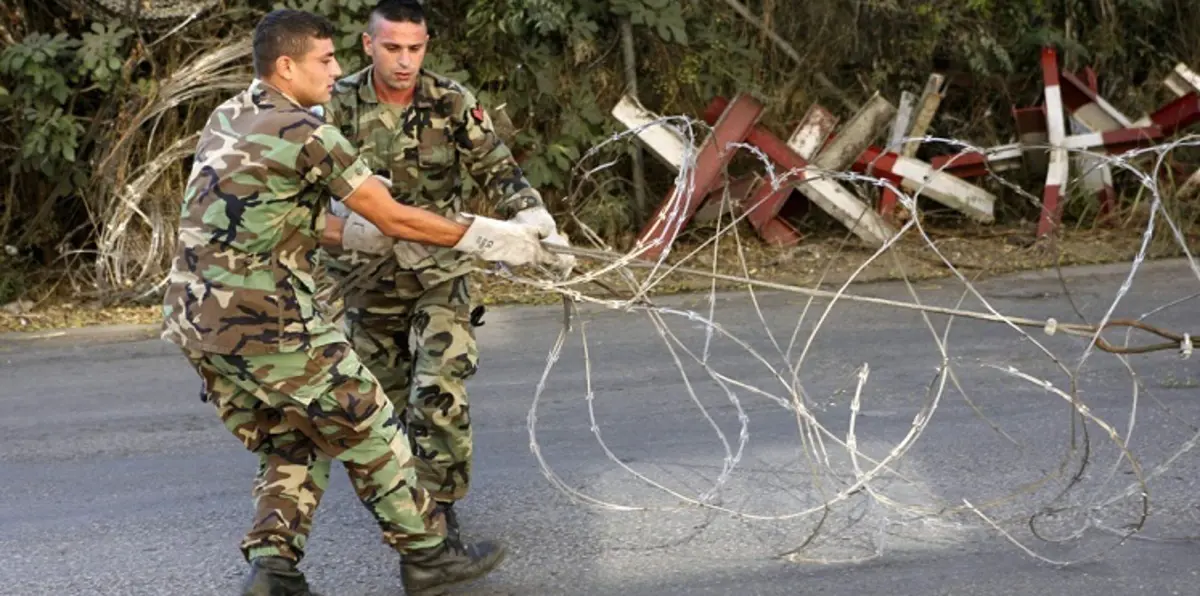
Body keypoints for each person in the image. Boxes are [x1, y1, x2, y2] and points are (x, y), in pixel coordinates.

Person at [160, 9, 569, 595]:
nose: (333, 70)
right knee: (371, 423)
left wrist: (348, 231)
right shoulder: (310, 128)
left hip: (195, 320)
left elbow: (265, 213)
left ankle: (273, 569)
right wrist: (490, 238)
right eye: (323, 60)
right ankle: (429, 555)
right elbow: (392, 214)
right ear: (286, 66)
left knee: (294, 436)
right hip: (268, 320)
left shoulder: (228, 116)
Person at [319, 0, 573, 542]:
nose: (404, 60)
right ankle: (405, 510)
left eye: (415, 48)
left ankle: (438, 514)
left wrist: (532, 216)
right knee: (379, 408)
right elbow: (305, 194)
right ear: (368, 45)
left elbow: (499, 169)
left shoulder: (450, 100)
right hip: (364, 279)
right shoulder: (335, 105)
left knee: (439, 385)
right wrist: (349, 224)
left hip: (439, 272)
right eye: (392, 48)